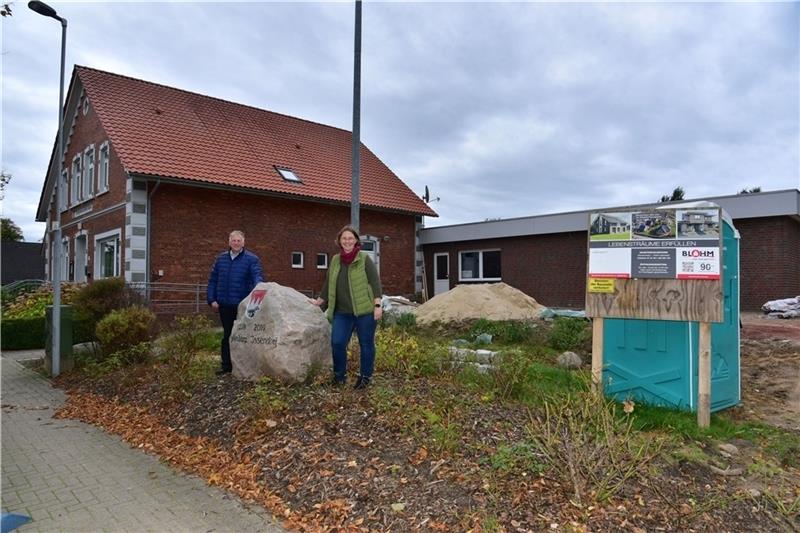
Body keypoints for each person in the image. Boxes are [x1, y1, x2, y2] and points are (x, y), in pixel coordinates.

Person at [311, 225, 382, 389]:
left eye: (350, 238)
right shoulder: (336, 260)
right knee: (337, 342)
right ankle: (339, 377)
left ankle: (365, 377)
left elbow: (375, 282)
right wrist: (320, 301)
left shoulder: (364, 258)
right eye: (344, 238)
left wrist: (377, 305)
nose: (347, 241)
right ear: (339, 241)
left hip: (364, 312)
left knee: (366, 344)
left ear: (356, 240)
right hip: (342, 312)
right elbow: (329, 282)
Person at [207, 230, 264, 375]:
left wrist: (259, 289)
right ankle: (227, 366)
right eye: (234, 240)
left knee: (243, 336)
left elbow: (257, 276)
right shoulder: (221, 259)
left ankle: (244, 366)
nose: (236, 243)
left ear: (243, 242)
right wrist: (211, 299)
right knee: (227, 336)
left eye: (239, 241)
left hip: (242, 306)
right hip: (224, 304)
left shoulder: (252, 259)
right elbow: (213, 280)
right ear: (229, 242)